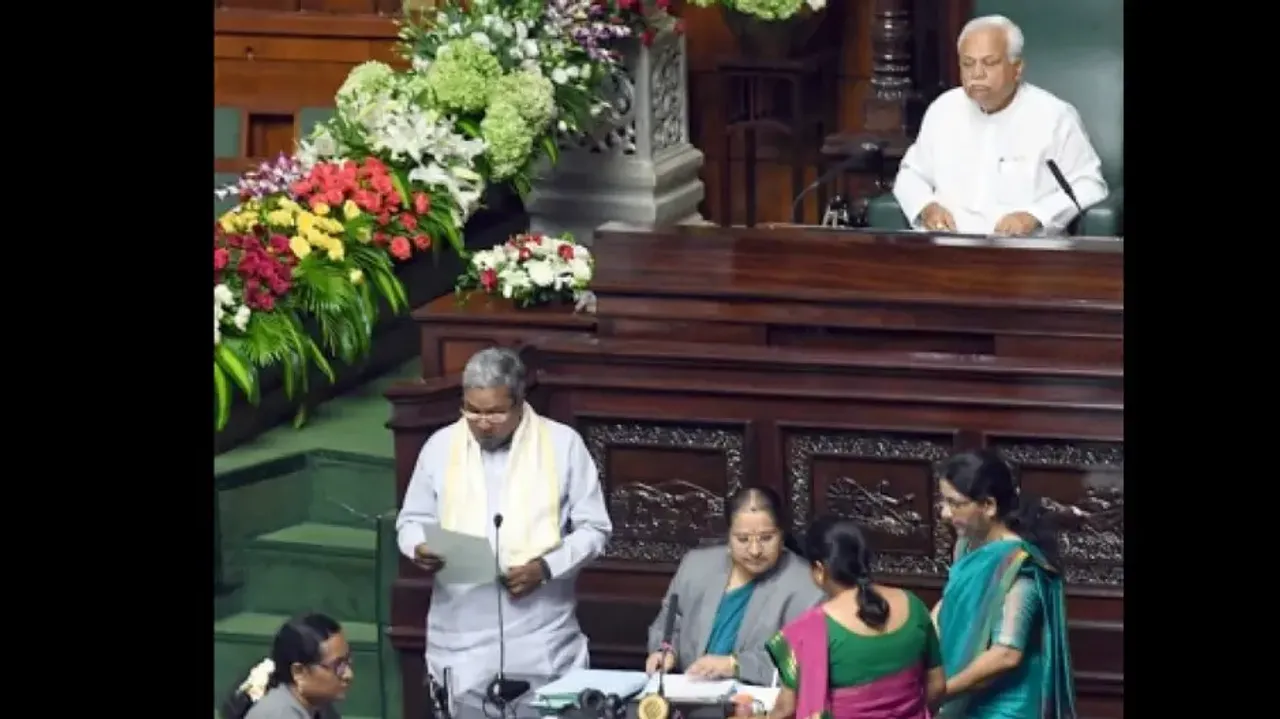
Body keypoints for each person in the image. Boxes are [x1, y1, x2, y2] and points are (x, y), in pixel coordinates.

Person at [396, 346, 613, 707]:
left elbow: (595, 529)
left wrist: (545, 568)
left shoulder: (562, 445)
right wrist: (419, 547)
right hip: (461, 631)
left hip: (541, 633)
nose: (483, 422)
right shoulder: (440, 446)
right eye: (473, 411)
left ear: (519, 401)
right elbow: (411, 520)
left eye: (496, 412)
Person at [891, 14, 1108, 236]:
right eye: (968, 64)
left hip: (1024, 253)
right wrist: (927, 207)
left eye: (989, 63)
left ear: (1017, 68)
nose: (977, 74)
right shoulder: (943, 109)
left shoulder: (1054, 117)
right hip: (947, 249)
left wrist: (1036, 215)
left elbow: (1088, 185)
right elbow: (911, 174)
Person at [933, 449, 1076, 719]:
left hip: (1006, 707)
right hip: (965, 691)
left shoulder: (1020, 564)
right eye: (944, 501)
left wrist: (941, 692)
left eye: (955, 504)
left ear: (988, 505)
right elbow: (951, 604)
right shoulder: (967, 545)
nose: (944, 513)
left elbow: (1007, 654)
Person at [764, 517, 944, 719]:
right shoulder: (913, 605)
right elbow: (937, 686)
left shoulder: (812, 629)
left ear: (820, 570)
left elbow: (786, 709)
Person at [644, 486, 823, 685]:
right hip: (691, 693)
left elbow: (805, 661)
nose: (755, 550)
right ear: (728, 536)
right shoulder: (696, 566)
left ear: (781, 535)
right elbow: (670, 623)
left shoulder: (807, 585)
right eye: (743, 539)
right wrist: (666, 652)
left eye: (766, 538)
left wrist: (734, 665)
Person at [221, 612, 352, 719]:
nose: (348, 674)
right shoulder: (279, 714)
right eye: (338, 666)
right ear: (299, 672)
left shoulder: (320, 708)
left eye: (348, 661)